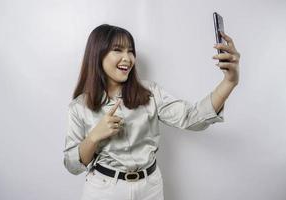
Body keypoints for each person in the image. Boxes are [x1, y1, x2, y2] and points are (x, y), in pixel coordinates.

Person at [63, 24, 240, 200]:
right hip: (104, 191)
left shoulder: (151, 93)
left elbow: (192, 118)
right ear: (97, 54)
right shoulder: (79, 107)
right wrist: (93, 137)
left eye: (130, 51)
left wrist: (229, 82)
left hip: (150, 188)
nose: (127, 58)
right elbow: (73, 165)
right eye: (118, 50)